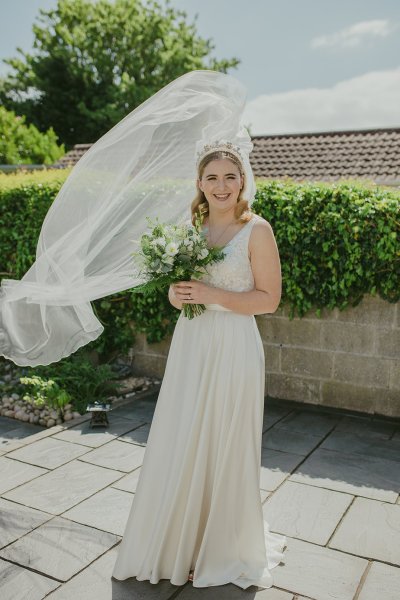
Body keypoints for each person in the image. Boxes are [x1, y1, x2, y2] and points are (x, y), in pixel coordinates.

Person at [111, 139, 287, 589]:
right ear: (199, 183)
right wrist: (177, 294)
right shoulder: (190, 228)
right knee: (185, 436)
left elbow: (269, 299)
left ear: (242, 181)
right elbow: (181, 290)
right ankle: (181, 542)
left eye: (230, 176)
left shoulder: (257, 230)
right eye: (212, 177)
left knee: (223, 440)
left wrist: (213, 296)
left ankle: (220, 548)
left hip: (233, 347)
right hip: (192, 346)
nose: (221, 185)